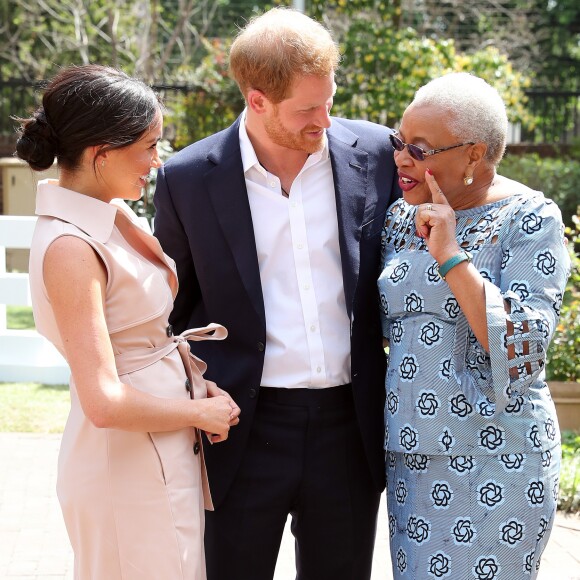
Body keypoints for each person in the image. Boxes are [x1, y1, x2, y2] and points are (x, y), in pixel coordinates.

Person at [154, 7, 400, 580]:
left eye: (330, 99)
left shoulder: (376, 153)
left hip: (348, 426)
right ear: (257, 99)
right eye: (308, 109)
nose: (326, 118)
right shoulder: (187, 179)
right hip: (240, 426)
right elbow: (170, 312)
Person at [16, 64, 240, 579]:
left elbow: (140, 341)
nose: (156, 160)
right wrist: (195, 414)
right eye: (148, 146)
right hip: (124, 462)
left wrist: (195, 393)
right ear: (101, 154)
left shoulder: (111, 213)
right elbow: (103, 400)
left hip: (154, 448)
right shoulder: (72, 246)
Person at [378, 72, 571, 580]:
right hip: (414, 458)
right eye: (400, 142)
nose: (401, 158)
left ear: (473, 154)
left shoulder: (531, 218)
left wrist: (450, 254)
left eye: (419, 149)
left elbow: (522, 348)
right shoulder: (401, 217)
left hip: (499, 456)